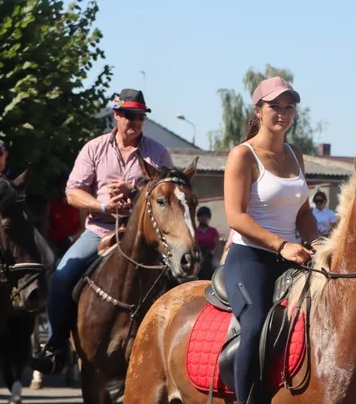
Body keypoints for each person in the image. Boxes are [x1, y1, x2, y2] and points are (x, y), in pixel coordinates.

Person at [31, 89, 172, 374]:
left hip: (144, 237)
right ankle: (56, 344)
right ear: (116, 115)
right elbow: (73, 192)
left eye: (140, 116)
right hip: (100, 229)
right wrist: (103, 205)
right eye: (130, 115)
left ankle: (172, 350)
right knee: (61, 276)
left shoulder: (158, 152)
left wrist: (134, 191)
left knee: (177, 280)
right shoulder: (94, 148)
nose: (136, 121)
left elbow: (170, 190)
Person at [221, 76, 318, 404]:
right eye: (275, 105)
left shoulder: (296, 155)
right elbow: (235, 216)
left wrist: (316, 243)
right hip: (252, 257)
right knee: (257, 324)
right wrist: (282, 245)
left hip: (293, 252)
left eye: (289, 106)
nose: (282, 113)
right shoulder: (242, 155)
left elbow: (305, 212)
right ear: (258, 110)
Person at [194, 206, 219, 280]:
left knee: (217, 267)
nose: (203, 218)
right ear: (198, 218)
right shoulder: (194, 231)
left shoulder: (213, 231)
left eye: (205, 216)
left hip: (210, 255)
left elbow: (217, 244)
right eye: (201, 216)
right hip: (199, 256)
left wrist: (212, 252)